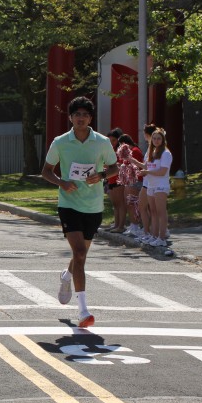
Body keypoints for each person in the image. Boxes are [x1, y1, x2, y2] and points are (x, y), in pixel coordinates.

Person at [41, 96, 117, 328]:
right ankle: (83, 311)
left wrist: (101, 175)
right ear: (71, 118)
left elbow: (114, 167)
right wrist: (62, 183)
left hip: (93, 206)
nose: (81, 118)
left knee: (80, 255)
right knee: (80, 253)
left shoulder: (102, 142)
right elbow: (46, 171)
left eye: (85, 114)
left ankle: (66, 276)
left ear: (90, 118)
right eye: (77, 115)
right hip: (69, 204)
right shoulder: (60, 142)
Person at [130, 126, 172, 247]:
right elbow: (146, 166)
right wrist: (132, 160)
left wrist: (147, 172)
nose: (156, 141)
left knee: (161, 212)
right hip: (151, 185)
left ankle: (162, 238)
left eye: (159, 138)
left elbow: (162, 172)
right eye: (154, 138)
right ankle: (154, 236)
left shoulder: (166, 153)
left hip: (161, 186)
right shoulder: (152, 152)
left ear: (163, 140)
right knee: (153, 212)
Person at [102, 128, 125, 232]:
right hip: (111, 180)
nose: (112, 143)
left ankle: (121, 226)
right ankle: (116, 225)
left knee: (120, 203)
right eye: (110, 140)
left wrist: (108, 166)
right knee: (115, 204)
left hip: (119, 180)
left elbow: (121, 165)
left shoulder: (122, 150)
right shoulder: (110, 151)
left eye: (114, 140)